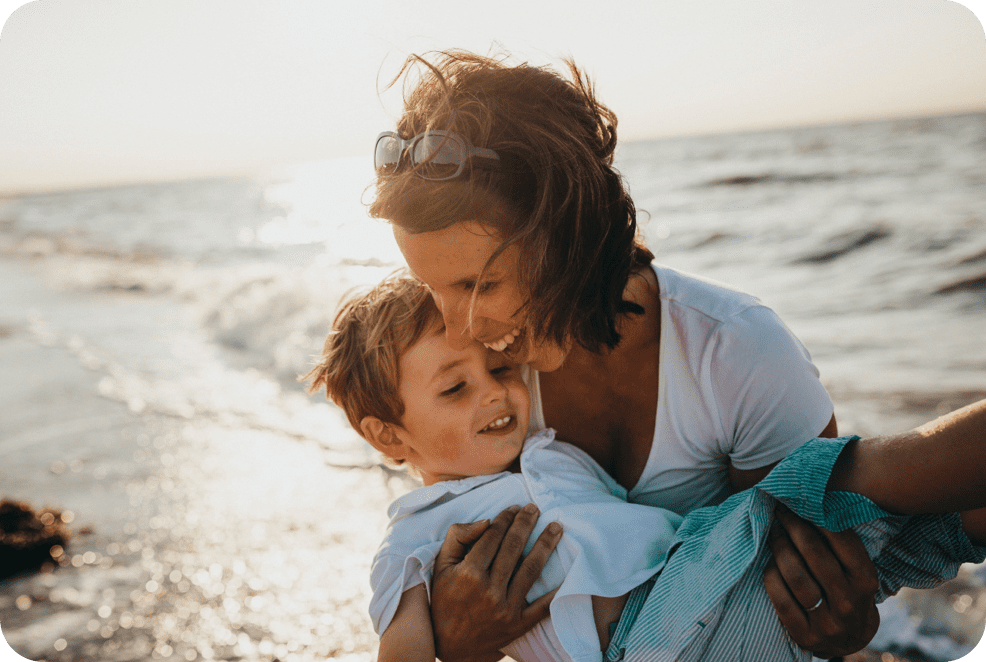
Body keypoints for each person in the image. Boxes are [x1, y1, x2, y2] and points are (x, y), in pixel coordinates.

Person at [368, 50, 877, 660]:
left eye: (480, 285)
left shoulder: (736, 353)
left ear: (568, 234)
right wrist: (457, 644)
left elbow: (810, 576)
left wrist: (846, 626)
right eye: (432, 287)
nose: (460, 325)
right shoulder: (484, 381)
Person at [303, 271, 986, 662]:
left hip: (710, 591)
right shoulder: (415, 538)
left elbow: (660, 527)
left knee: (934, 526)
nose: (495, 392)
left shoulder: (549, 450)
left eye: (500, 367)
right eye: (455, 389)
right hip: (651, 640)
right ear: (388, 435)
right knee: (840, 480)